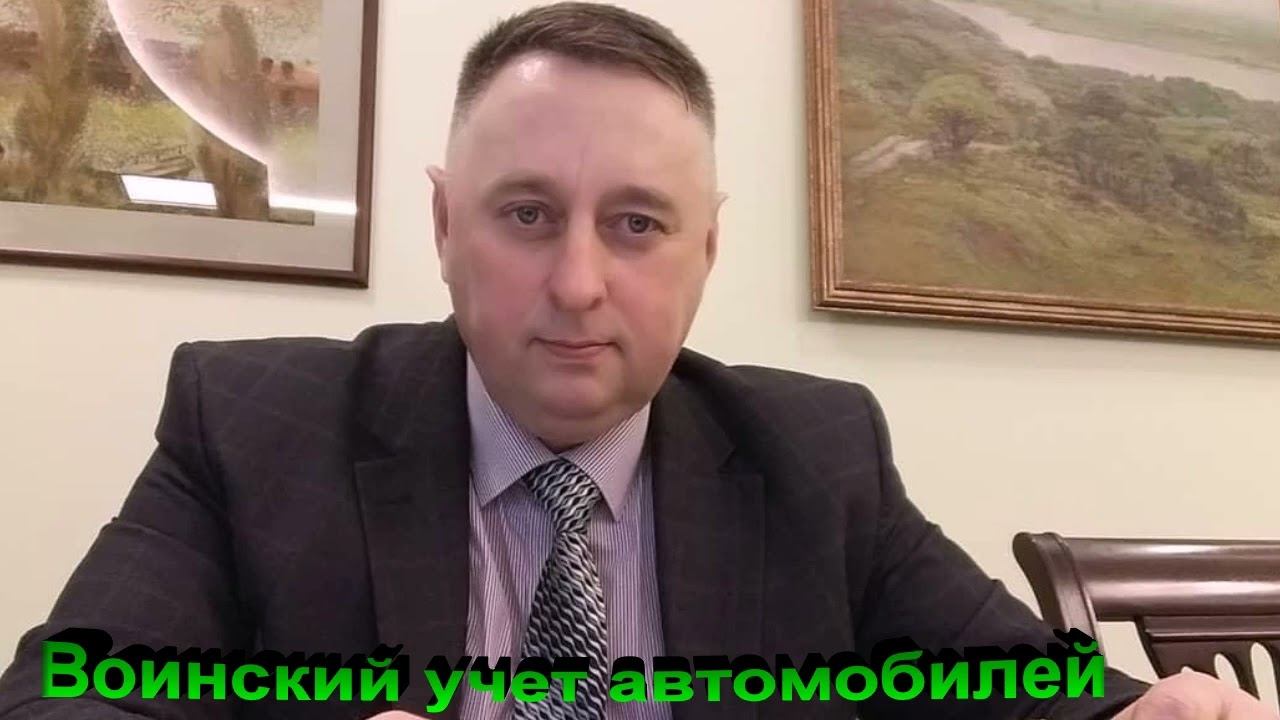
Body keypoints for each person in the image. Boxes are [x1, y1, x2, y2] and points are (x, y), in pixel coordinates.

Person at [0, 3, 1273, 720]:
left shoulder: (816, 456)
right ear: (443, 225)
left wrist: (1139, 711)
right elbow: (66, 694)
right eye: (525, 214)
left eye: (636, 224)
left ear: (705, 249)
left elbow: (1010, 685)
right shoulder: (252, 423)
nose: (575, 283)